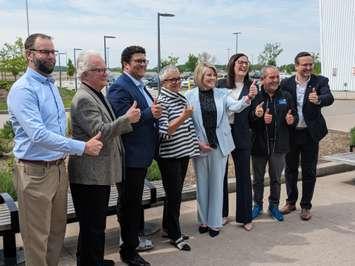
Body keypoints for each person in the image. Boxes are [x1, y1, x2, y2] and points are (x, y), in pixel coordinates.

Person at [7, 33, 103, 266]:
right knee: (37, 238)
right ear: (29, 55)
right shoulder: (23, 89)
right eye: (45, 51)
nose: (51, 56)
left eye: (52, 52)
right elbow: (38, 135)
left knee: (56, 233)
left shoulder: (50, 86)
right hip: (35, 172)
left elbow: (57, 131)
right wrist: (82, 146)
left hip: (58, 169)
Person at [68, 51, 141, 266]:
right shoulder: (83, 98)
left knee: (94, 223)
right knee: (93, 225)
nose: (105, 73)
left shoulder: (96, 93)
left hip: (96, 173)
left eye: (104, 68)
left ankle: (91, 261)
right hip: (89, 174)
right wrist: (126, 120)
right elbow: (98, 131)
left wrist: (123, 119)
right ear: (85, 74)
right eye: (99, 70)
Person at [107, 45, 161, 266]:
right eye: (138, 61)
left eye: (144, 60)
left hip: (142, 154)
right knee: (129, 203)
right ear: (125, 64)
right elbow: (121, 122)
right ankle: (128, 250)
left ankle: (134, 236)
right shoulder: (119, 88)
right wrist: (150, 113)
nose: (142, 64)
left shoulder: (138, 84)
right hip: (130, 156)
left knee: (133, 200)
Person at [185, 62, 250, 238]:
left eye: (214, 75)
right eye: (208, 75)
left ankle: (214, 223)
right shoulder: (189, 96)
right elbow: (187, 123)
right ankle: (203, 221)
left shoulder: (222, 94)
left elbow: (235, 107)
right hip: (200, 145)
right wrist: (197, 142)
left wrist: (246, 99)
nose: (213, 78)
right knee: (202, 184)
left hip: (219, 144)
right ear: (200, 76)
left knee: (216, 185)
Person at [280, 52, 334, 220]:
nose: (308, 68)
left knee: (309, 171)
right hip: (292, 133)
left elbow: (329, 97)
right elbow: (279, 102)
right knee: (290, 170)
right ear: (296, 66)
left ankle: (306, 206)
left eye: (311, 64)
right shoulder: (286, 83)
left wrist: (318, 99)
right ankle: (290, 201)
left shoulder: (320, 81)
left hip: (310, 134)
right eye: (305, 65)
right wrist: (284, 117)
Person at [157, 65, 200, 251]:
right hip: (171, 156)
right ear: (163, 83)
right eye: (172, 80)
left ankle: (167, 227)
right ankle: (175, 234)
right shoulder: (162, 101)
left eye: (178, 78)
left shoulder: (179, 97)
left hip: (182, 153)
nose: (176, 82)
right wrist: (183, 116)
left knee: (174, 194)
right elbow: (164, 132)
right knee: (174, 196)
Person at [250, 66, 298, 222]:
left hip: (279, 146)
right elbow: (248, 121)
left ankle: (274, 205)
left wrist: (292, 120)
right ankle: (257, 205)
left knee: (276, 178)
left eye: (277, 77)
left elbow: (294, 115)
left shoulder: (286, 96)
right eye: (271, 77)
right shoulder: (255, 97)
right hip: (259, 145)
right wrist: (257, 117)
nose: (276, 80)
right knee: (257, 178)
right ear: (263, 79)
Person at [217, 53, 257, 231]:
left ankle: (245, 217)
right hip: (222, 134)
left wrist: (258, 113)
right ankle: (222, 213)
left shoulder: (253, 87)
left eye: (246, 63)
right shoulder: (219, 85)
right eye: (240, 62)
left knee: (243, 176)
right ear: (232, 65)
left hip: (242, 134)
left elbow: (256, 113)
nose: (243, 65)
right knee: (221, 176)